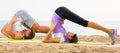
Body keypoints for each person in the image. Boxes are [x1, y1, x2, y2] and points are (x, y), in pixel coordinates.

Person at [43, 7, 117, 45]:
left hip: (60, 13)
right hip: (60, 13)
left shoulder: (62, 39)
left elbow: (44, 40)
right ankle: (110, 31)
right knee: (83, 23)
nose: (71, 33)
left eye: (72, 34)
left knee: (84, 23)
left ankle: (110, 31)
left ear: (70, 38)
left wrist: (51, 29)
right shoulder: (64, 39)